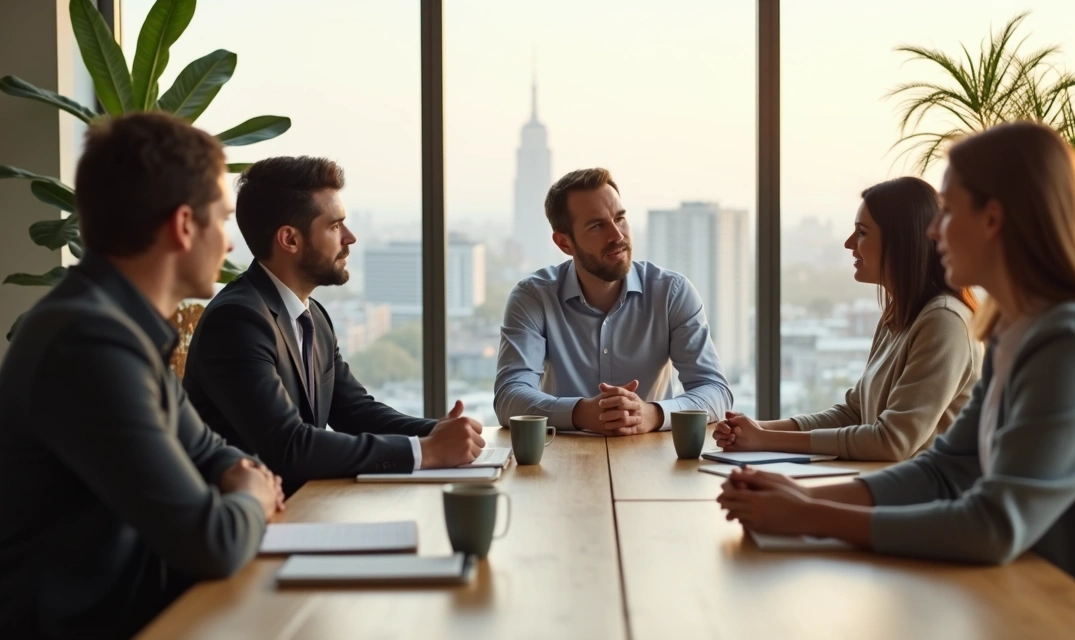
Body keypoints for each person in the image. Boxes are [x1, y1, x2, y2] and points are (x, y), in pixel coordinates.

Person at [717, 121, 1075, 616]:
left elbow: (994, 526)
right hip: (1054, 600)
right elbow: (945, 471)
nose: (933, 231)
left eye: (948, 212)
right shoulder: (1012, 332)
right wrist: (801, 496)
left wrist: (811, 515)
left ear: (993, 219)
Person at [0, 113, 283, 638]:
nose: (229, 245)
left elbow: (207, 451)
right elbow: (212, 541)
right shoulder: (88, 343)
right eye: (221, 221)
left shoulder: (121, 325)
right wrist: (254, 495)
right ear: (181, 226)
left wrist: (236, 473)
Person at [184, 157, 484, 496]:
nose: (350, 238)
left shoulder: (314, 317)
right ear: (290, 239)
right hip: (251, 525)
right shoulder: (237, 322)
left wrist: (438, 431)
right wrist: (424, 451)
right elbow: (289, 446)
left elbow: (355, 412)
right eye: (334, 226)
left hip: (307, 505)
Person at [712, 177, 981, 461]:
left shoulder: (944, 322)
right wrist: (756, 429)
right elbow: (854, 413)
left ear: (901, 241)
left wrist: (766, 440)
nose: (848, 243)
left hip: (933, 498)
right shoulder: (898, 317)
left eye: (862, 233)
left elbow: (891, 441)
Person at [494, 167, 732, 435]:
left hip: (654, 460)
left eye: (620, 219)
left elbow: (716, 392)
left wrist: (652, 414)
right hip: (561, 462)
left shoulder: (671, 292)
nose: (617, 236)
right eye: (597, 226)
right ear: (564, 243)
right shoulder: (533, 297)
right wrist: (581, 413)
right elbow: (509, 397)